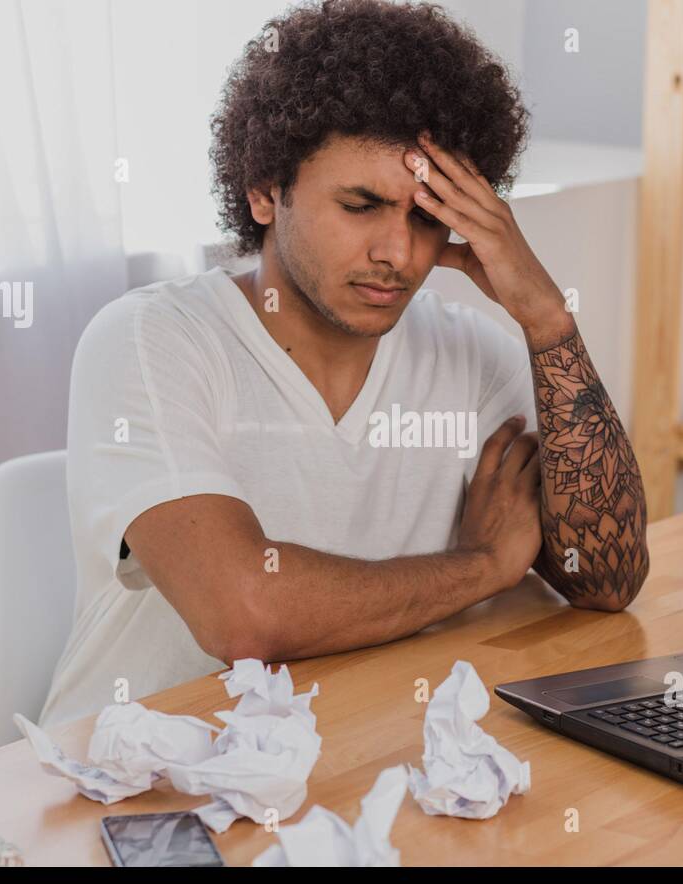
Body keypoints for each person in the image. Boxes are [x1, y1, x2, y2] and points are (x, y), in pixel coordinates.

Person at [39, 0, 647, 727]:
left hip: (355, 769)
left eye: (427, 217)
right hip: (141, 789)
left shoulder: (474, 356)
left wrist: (549, 323)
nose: (399, 252)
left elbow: (606, 581)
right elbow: (244, 615)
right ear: (266, 191)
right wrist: (484, 565)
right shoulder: (150, 340)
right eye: (362, 205)